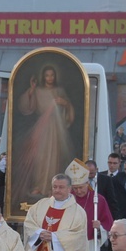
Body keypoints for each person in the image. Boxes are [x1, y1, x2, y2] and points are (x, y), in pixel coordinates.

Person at [13, 65, 75, 206]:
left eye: (52, 75)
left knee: (53, 157)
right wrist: (32, 90)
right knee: (40, 157)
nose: (50, 78)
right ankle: (38, 185)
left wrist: (64, 103)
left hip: (56, 128)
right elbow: (27, 107)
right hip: (42, 127)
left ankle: (49, 187)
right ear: (43, 77)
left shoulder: (59, 91)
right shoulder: (38, 91)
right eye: (47, 75)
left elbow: (68, 108)